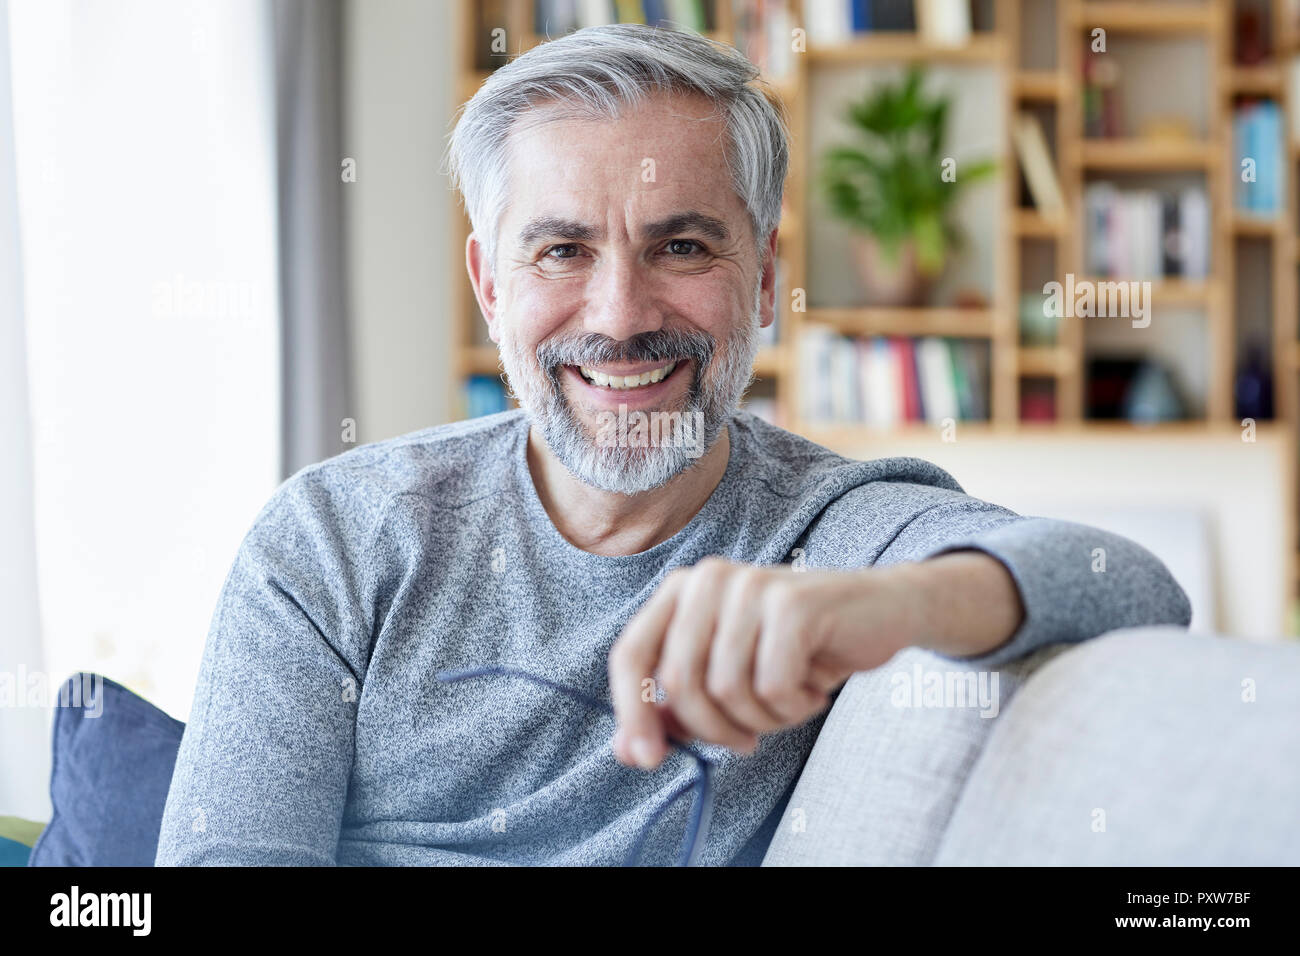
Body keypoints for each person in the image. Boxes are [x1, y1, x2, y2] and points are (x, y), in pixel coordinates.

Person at [156, 23, 1190, 867]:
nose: (618, 314)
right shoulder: (331, 536)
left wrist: (886, 606)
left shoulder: (829, 531)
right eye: (562, 249)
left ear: (765, 269)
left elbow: (1132, 585)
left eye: (681, 246)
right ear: (488, 283)